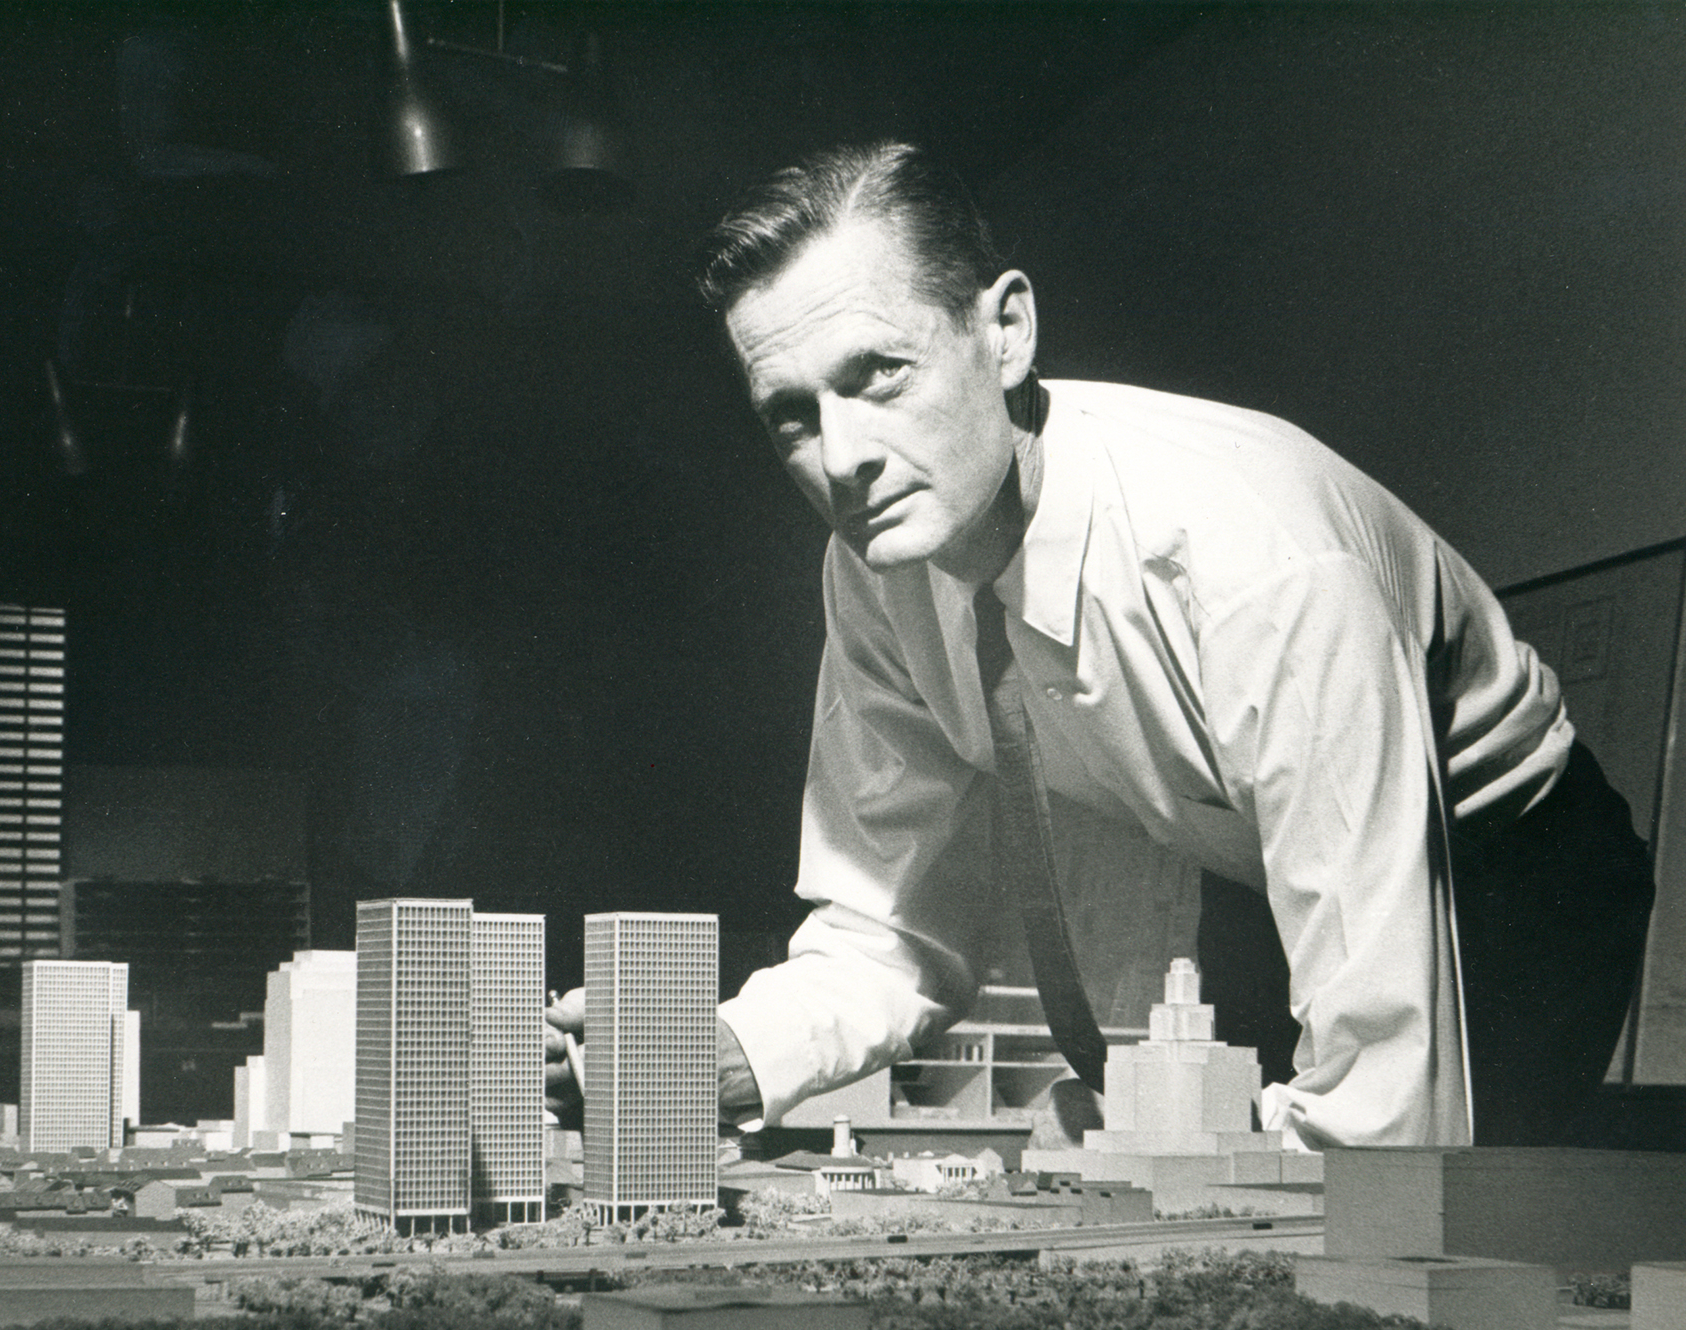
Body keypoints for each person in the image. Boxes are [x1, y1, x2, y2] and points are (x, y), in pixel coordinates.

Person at [546, 141, 1653, 1149]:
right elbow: (889, 926)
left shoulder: (1252, 557)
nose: (842, 459)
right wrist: (733, 1054)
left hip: (1512, 873)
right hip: (1256, 864)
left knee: (1428, 1238)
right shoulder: (872, 565)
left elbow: (1386, 1106)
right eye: (790, 414)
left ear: (1007, 330)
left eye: (876, 375)